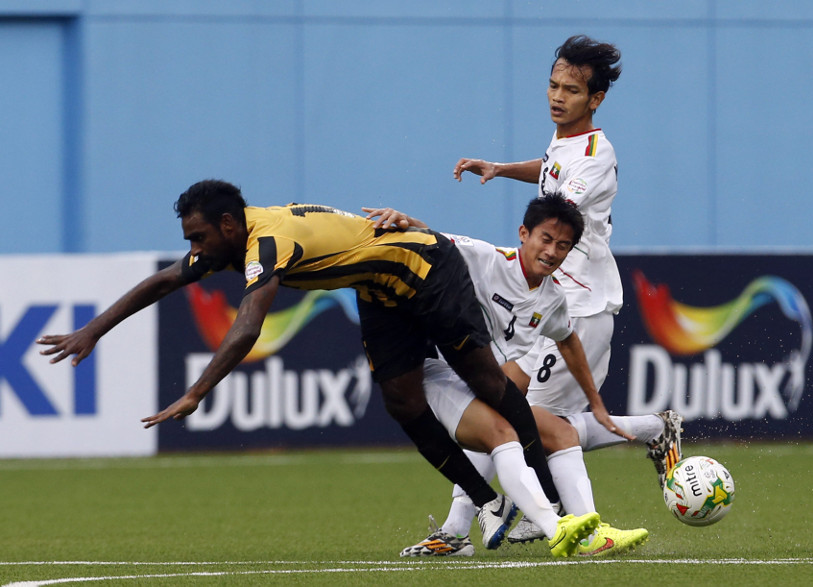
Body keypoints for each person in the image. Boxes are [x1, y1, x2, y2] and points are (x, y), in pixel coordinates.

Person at [36, 178, 596, 557]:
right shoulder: (236, 236)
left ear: (230, 225)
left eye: (199, 237)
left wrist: (197, 391)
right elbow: (165, 279)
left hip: (424, 265)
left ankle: (548, 508)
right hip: (379, 287)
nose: (195, 250)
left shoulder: (265, 243)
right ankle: (489, 504)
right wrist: (93, 330)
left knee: (489, 383)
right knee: (403, 402)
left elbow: (249, 324)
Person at [451, 35, 683, 549]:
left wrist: (500, 261)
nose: (557, 97)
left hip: (580, 305)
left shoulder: (598, 157)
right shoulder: (566, 141)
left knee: (516, 413)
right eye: (553, 86)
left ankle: (541, 515)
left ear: (595, 99)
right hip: (554, 302)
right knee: (521, 413)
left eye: (572, 90)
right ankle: (651, 430)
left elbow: (560, 215)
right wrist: (502, 168)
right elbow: (550, 168)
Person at [367, 195, 649, 558]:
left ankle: (464, 531)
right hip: (436, 370)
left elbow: (568, 341)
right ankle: (555, 525)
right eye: (545, 239)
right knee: (511, 432)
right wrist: (403, 218)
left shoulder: (551, 299)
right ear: (523, 234)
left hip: (483, 383)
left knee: (542, 432)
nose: (551, 251)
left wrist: (596, 404)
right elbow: (433, 239)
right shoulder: (487, 258)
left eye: (563, 246)